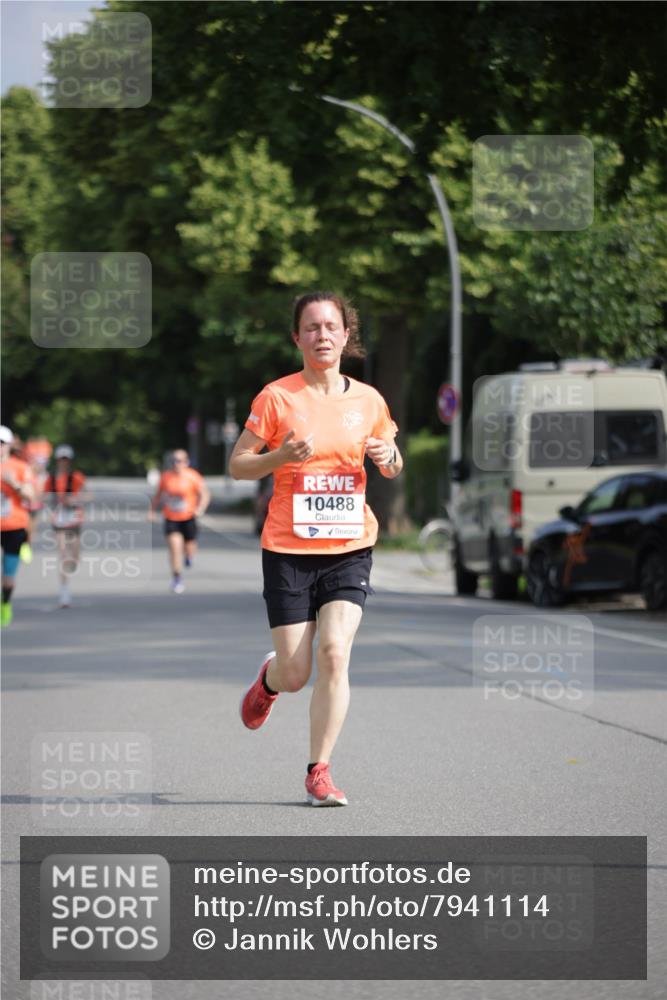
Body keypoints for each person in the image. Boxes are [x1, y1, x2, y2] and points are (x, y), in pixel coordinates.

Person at [231, 291, 403, 806]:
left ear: (346, 335)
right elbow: (239, 463)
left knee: (334, 653)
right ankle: (270, 679)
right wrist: (279, 455)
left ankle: (319, 772)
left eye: (331, 327)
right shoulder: (277, 398)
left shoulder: (369, 401)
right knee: (297, 671)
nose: (322, 336)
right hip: (288, 548)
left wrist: (389, 456)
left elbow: (393, 464)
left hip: (350, 545)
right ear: (297, 338)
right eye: (311, 328)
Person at [149, 449, 210, 594]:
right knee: (175, 547)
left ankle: (189, 556)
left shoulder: (193, 476)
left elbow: (205, 494)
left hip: (189, 517)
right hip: (171, 517)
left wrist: (200, 508)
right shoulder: (166, 477)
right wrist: (151, 511)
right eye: (174, 461)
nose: (177, 463)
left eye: (180, 460)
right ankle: (177, 578)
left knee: (189, 547)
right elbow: (158, 495)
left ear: (186, 462)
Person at [0, 425, 35, 626]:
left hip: (13, 526)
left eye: (1, 443)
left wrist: (14, 483)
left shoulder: (20, 467)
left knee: (8, 575)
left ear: (9, 445)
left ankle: (5, 602)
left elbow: (30, 495)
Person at [45, 445, 87, 608]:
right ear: (57, 461)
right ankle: (64, 592)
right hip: (59, 521)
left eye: (66, 460)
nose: (63, 462)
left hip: (74, 519)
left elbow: (87, 494)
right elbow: (43, 496)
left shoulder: (76, 477)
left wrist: (76, 500)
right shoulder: (51, 479)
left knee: (74, 558)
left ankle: (71, 567)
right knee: (63, 555)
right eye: (61, 459)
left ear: (70, 461)